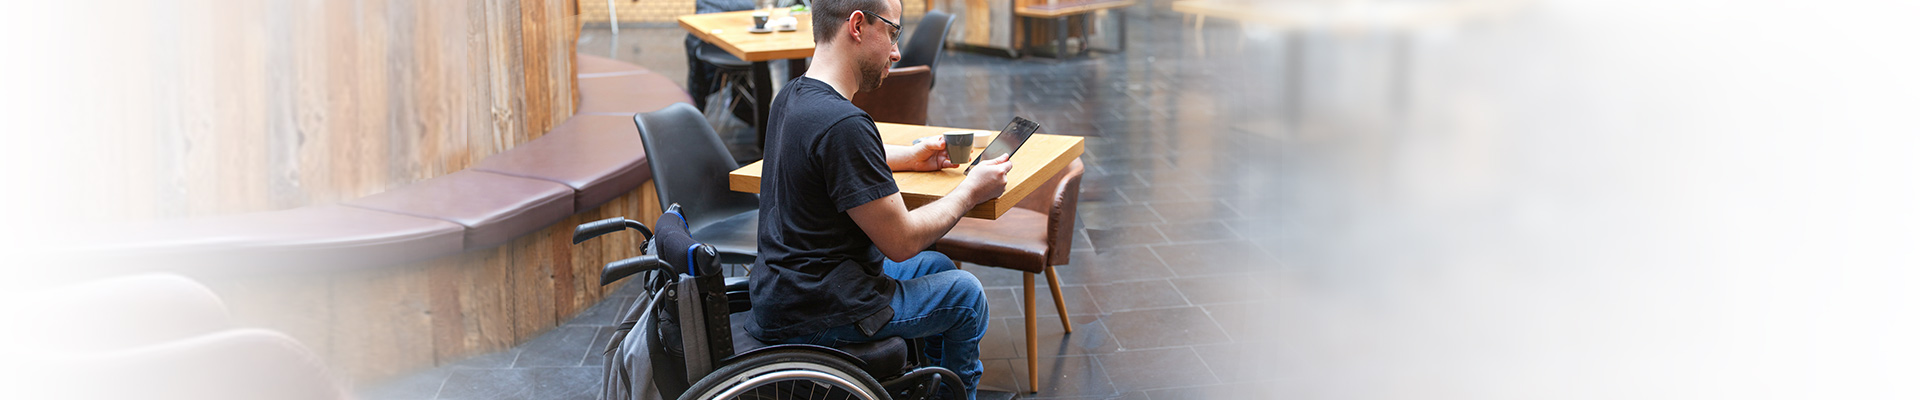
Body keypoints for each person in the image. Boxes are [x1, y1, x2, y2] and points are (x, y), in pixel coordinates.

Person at [745, 0, 1012, 398]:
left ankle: (925, 383)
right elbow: (901, 241)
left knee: (937, 264)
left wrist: (912, 156)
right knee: (966, 294)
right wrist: (970, 190)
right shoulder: (844, 124)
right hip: (822, 310)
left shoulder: (793, 96)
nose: (896, 51)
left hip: (785, 292)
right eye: (892, 31)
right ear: (857, 25)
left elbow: (830, 154)